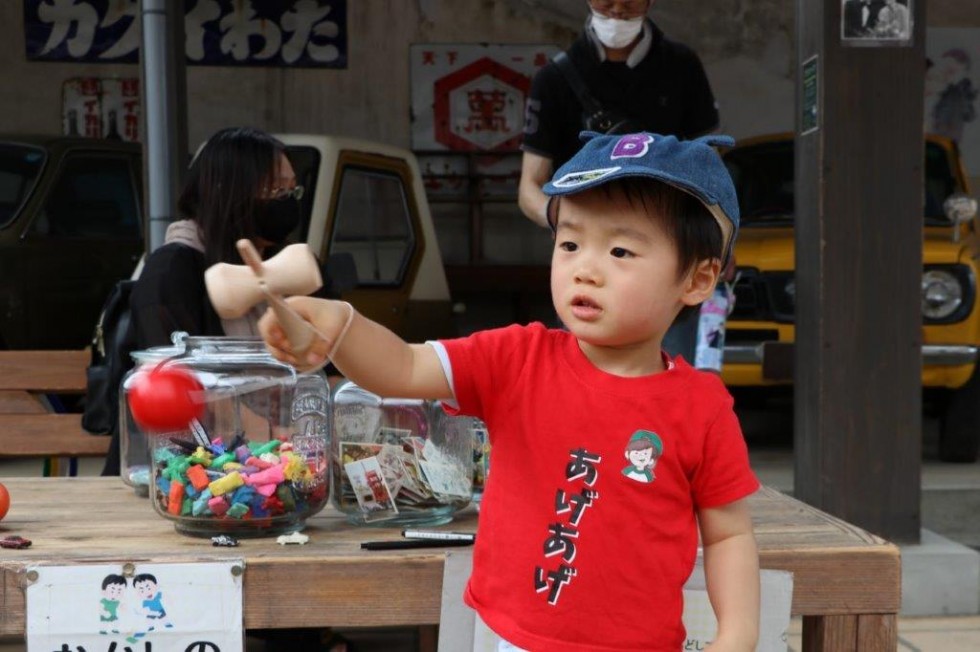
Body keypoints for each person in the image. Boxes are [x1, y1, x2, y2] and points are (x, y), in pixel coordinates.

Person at [259, 132, 761, 651]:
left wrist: (738, 634)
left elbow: (728, 534)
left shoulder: (701, 406)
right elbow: (403, 367)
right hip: (510, 638)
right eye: (569, 243)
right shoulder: (516, 358)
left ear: (698, 280)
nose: (585, 268)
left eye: (620, 249)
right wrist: (340, 325)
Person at [518, 0, 719, 229]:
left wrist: (717, 231)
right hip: (585, 235)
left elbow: (709, 163)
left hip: (661, 227)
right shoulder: (552, 79)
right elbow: (529, 186)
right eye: (606, 1)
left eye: (630, 2)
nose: (617, 10)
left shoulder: (683, 66)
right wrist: (562, 219)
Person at [130, 126, 303, 350]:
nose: (287, 202)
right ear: (227, 192)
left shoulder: (282, 264)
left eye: (292, 190)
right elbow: (169, 368)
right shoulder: (172, 270)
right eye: (276, 190)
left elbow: (330, 362)